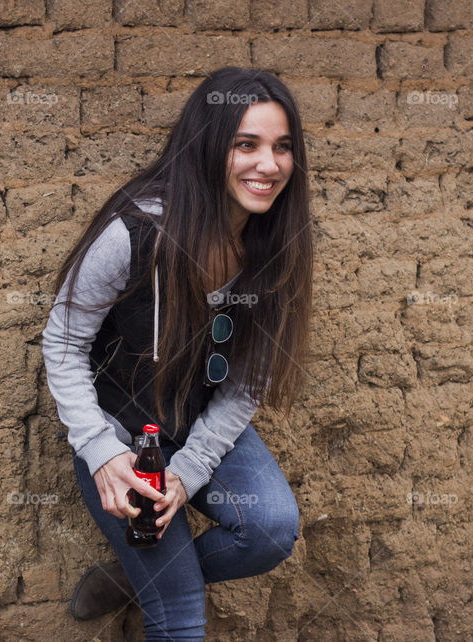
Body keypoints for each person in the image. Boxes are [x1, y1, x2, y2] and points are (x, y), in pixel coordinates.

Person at [41, 66, 313, 640]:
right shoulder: (135, 234)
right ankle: (166, 584)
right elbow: (63, 341)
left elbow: (246, 385)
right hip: (122, 438)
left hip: (197, 425)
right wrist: (99, 449)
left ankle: (141, 577)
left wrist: (188, 474)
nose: (269, 164)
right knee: (183, 619)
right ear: (210, 144)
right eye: (247, 144)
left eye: (282, 147)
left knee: (269, 529)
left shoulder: (275, 249)